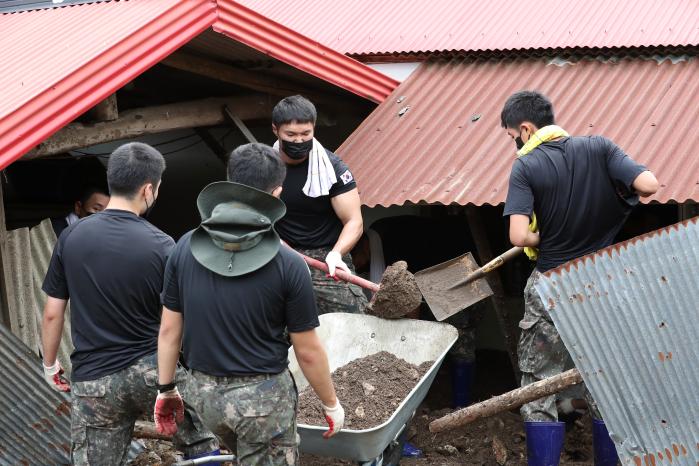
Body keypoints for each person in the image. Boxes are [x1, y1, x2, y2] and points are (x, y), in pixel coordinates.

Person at [154, 143, 344, 465]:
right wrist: (330, 404)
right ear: (278, 192)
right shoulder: (289, 263)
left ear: (228, 180)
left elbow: (170, 330)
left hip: (206, 398)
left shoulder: (183, 247)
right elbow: (307, 350)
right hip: (264, 404)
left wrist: (166, 388)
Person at [501, 91, 659, 466]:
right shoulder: (600, 147)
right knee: (605, 378)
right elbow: (649, 185)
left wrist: (547, 237)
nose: (514, 145)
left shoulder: (526, 167)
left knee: (538, 385)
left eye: (512, 137)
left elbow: (518, 237)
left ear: (526, 128)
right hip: (600, 283)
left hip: (551, 284)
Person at [40, 142, 219, 465]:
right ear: (148, 189)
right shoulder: (163, 245)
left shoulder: (72, 236)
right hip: (153, 372)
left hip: (94, 380)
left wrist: (50, 365)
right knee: (202, 442)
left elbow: (53, 313)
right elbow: (176, 323)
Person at [271, 95, 367, 314]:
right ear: (276, 130)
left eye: (306, 134)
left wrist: (336, 254)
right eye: (291, 135)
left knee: (354, 323)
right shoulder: (264, 167)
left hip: (326, 257)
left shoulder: (333, 168)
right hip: (278, 253)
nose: (298, 141)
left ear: (314, 128)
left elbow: (354, 221)